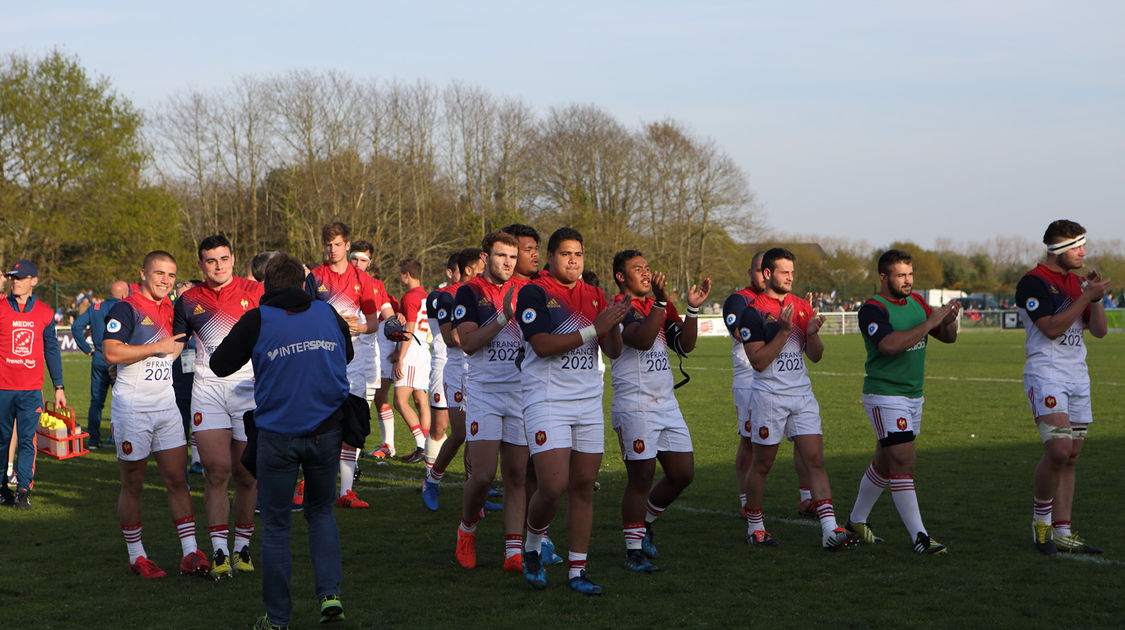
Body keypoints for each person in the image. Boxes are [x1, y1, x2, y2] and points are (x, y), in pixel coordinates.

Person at [210, 253, 351, 629]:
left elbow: (219, 364)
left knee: (275, 527)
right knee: (321, 513)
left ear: (266, 287)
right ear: (304, 285)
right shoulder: (325, 312)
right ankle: (329, 595)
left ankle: (277, 618)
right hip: (326, 432)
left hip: (277, 434)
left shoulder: (258, 318)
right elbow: (347, 352)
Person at [516, 227, 629, 595]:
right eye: (566, 254)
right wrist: (593, 329)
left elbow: (612, 351)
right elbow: (543, 345)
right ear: (550, 258)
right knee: (552, 485)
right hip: (547, 400)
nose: (573, 260)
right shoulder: (535, 291)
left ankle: (577, 571)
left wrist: (611, 326)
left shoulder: (594, 294)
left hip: (588, 403)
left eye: (578, 254)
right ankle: (531, 546)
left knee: (582, 487)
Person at [736, 248, 857, 551]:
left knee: (815, 460)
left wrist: (812, 333)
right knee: (762, 464)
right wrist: (784, 331)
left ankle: (829, 529)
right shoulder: (753, 311)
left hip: (802, 394)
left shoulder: (801, 305)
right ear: (767, 274)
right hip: (769, 397)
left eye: (792, 271)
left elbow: (815, 357)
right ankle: (755, 526)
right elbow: (759, 362)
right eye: (783, 272)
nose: (790, 277)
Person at [102, 251, 210, 578]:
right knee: (132, 483)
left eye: (171, 275)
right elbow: (111, 351)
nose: (165, 280)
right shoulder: (127, 307)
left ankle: (190, 553)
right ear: (144, 274)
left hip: (166, 407)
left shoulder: (172, 308)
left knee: (178, 479)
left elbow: (173, 346)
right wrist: (155, 348)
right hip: (133, 408)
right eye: (159, 273)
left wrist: (180, 339)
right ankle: (137, 556)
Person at [846, 249, 959, 554]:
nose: (908, 281)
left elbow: (948, 338)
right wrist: (929, 321)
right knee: (904, 462)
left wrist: (949, 320)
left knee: (885, 464)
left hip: (913, 395)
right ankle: (920, 537)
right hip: (884, 395)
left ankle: (856, 521)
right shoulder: (872, 309)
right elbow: (888, 345)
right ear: (883, 277)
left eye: (910, 274)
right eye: (900, 275)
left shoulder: (918, 303)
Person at [610, 250, 710, 572]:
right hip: (635, 404)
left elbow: (685, 345)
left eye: (647, 267)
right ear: (620, 277)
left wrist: (692, 308)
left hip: (666, 402)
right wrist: (660, 304)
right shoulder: (618, 305)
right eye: (637, 269)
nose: (646, 272)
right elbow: (640, 339)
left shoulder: (659, 303)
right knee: (641, 478)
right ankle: (633, 551)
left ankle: (647, 523)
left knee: (683, 473)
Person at [172, 235, 264, 578]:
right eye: (211, 261)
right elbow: (173, 346)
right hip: (207, 390)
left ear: (234, 259)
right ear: (201, 265)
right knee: (216, 472)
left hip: (248, 390)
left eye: (224, 259)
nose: (219, 266)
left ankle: (242, 547)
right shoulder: (188, 300)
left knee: (245, 474)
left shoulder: (256, 293)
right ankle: (220, 552)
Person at [1016, 220, 1109, 555]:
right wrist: (1085, 295)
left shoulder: (1077, 283)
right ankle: (1042, 523)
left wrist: (1094, 297)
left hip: (1077, 376)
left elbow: (1099, 331)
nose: (1083, 252)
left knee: (1071, 456)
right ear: (1058, 250)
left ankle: (1064, 531)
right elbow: (1052, 329)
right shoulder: (1033, 282)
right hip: (1046, 375)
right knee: (1057, 450)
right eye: (1077, 246)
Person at [451, 232, 529, 571]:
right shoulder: (469, 292)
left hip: (520, 392)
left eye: (512, 256)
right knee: (482, 475)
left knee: (516, 475)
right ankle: (466, 529)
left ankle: (513, 550)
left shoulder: (527, 291)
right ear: (485, 257)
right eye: (501, 256)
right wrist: (503, 317)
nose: (508, 262)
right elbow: (467, 343)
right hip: (484, 393)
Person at [722, 252, 814, 518]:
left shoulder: (787, 301)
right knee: (750, 442)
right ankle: (746, 501)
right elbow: (740, 333)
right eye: (758, 270)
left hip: (784, 380)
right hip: (749, 380)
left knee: (802, 438)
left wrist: (799, 316)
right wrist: (774, 320)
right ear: (754, 272)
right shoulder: (739, 300)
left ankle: (807, 497)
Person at [311, 222, 393, 509]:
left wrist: (357, 327)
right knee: (318, 425)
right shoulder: (314, 278)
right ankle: (309, 483)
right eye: (328, 245)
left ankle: (346, 492)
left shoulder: (364, 280)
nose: (332, 250)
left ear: (347, 245)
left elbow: (373, 323)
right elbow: (304, 318)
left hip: (356, 362)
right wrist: (329, 323)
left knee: (352, 427)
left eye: (337, 244)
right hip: (322, 360)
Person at [0, 260, 66, 510]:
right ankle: (1, 488)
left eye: (21, 277)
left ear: (33, 281)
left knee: (28, 440)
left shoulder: (45, 312)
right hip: (2, 388)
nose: (15, 281)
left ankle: (24, 489)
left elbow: (51, 349)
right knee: (2, 440)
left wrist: (58, 386)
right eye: (12, 277)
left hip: (30, 390)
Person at [422, 248, 483, 511]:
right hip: (457, 370)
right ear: (468, 270)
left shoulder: (483, 294)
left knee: (476, 434)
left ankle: (475, 498)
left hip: (481, 369)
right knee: (459, 432)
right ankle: (432, 481)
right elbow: (453, 339)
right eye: (482, 267)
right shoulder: (446, 296)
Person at [71, 280, 127, 449]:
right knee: (123, 400)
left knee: (96, 401)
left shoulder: (96, 307)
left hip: (99, 357)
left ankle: (94, 441)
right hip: (119, 357)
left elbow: (76, 327)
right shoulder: (126, 306)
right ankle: (121, 439)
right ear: (124, 294)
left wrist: (87, 349)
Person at [422, 254, 459, 480]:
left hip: (469, 366)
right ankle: (430, 479)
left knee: (474, 429)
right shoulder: (438, 296)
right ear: (450, 272)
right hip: (443, 363)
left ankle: (475, 482)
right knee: (440, 427)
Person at [393, 258, 431, 464]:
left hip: (413, 352)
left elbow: (409, 329)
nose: (399, 277)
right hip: (425, 351)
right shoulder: (427, 296)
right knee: (420, 401)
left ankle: (421, 446)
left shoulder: (409, 297)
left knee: (399, 400)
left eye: (400, 273)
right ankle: (425, 448)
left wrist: (400, 357)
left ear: (407, 275)